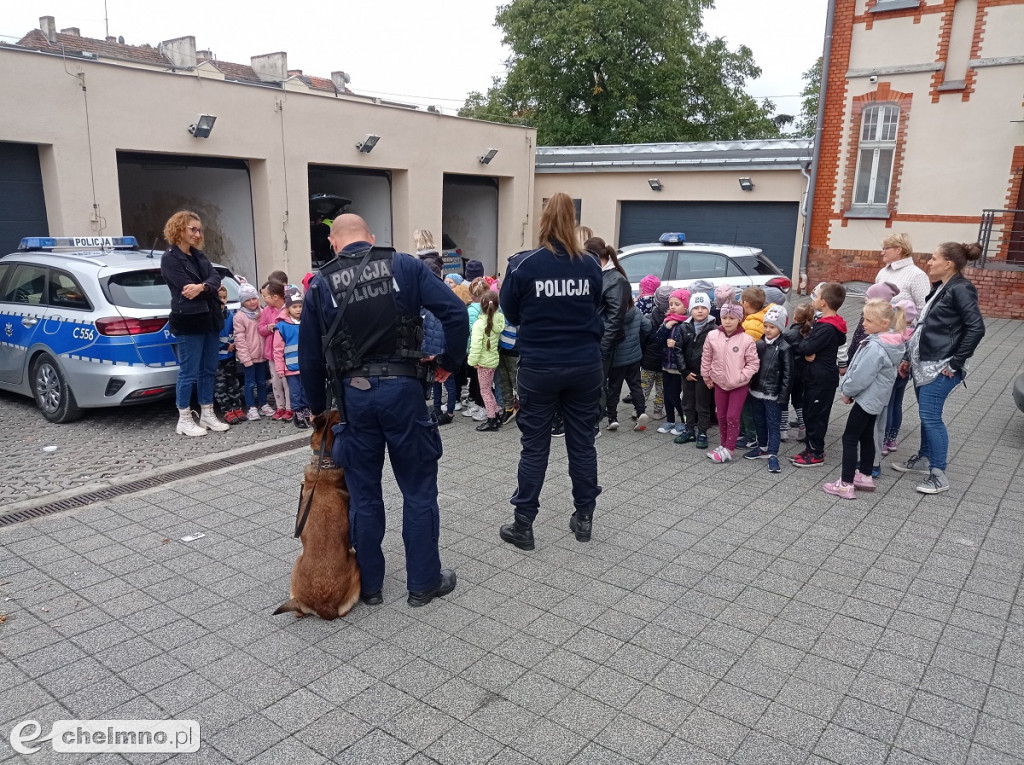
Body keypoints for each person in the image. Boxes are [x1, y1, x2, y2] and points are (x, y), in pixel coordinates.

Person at [299, 213, 468, 607]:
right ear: (371, 238)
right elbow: (456, 313)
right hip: (404, 392)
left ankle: (370, 586)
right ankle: (423, 583)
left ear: (334, 244)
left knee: (364, 495)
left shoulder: (321, 283)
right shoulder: (403, 265)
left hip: (354, 400)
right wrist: (447, 362)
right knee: (418, 489)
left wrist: (320, 412)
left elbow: (309, 357)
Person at [497, 192, 603, 549]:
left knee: (535, 447)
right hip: (585, 365)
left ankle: (523, 524)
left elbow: (511, 313)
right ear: (572, 224)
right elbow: (595, 305)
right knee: (582, 443)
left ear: (543, 221)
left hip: (540, 366)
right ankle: (584, 515)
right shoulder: (590, 265)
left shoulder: (523, 265)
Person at [893, 241, 986, 494]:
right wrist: (908, 358)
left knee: (931, 417)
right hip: (924, 363)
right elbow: (924, 325)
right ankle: (924, 459)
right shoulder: (941, 287)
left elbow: (976, 328)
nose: (929, 262)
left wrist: (955, 363)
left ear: (949, 264)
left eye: (934, 258)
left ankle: (938, 474)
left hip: (941, 365)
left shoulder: (962, 289)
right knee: (926, 414)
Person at [823, 300, 907, 498]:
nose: (863, 324)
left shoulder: (875, 348)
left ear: (884, 323)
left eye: (868, 320)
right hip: (876, 399)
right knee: (866, 435)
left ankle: (845, 483)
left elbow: (861, 375)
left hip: (867, 399)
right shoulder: (889, 344)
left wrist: (847, 391)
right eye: (863, 319)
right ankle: (866, 475)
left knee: (850, 437)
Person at [160, 210, 228, 437]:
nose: (198, 234)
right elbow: (185, 288)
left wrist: (202, 287)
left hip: (210, 319)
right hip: (189, 321)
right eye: (193, 229)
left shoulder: (199, 257)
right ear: (179, 229)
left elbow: (216, 279)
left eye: (199, 230)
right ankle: (185, 419)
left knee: (209, 369)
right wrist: (206, 288)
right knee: (188, 372)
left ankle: (207, 412)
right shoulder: (170, 258)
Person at [791, 282, 847, 467]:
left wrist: (804, 348)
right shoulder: (824, 323)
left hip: (821, 380)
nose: (813, 300)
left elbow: (807, 346)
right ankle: (810, 448)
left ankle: (816, 453)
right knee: (809, 414)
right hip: (815, 377)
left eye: (816, 297)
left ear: (823, 302)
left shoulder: (827, 328)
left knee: (816, 417)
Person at [701, 303, 759, 463]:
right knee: (721, 415)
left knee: (733, 416)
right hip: (720, 383)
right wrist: (706, 376)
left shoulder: (746, 339)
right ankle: (724, 444)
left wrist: (742, 376)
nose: (727, 321)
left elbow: (753, 363)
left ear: (739, 319)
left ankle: (730, 448)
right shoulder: (712, 336)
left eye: (732, 318)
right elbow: (706, 357)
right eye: (724, 317)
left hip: (738, 385)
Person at [588, 237, 630, 429]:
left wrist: (603, 346)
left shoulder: (616, 280)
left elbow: (615, 318)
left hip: (603, 341)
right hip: (592, 338)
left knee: (598, 383)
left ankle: (594, 423)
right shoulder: (599, 274)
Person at [745, 305, 792, 474]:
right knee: (759, 420)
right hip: (756, 390)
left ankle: (773, 454)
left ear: (780, 328)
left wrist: (783, 397)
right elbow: (752, 365)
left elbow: (788, 375)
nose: (768, 330)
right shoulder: (758, 344)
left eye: (772, 327)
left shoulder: (785, 348)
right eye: (766, 326)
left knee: (773, 424)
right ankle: (762, 447)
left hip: (773, 394)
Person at [675, 292, 718, 449]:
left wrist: (709, 373)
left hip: (704, 375)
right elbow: (678, 350)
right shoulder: (684, 327)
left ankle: (702, 432)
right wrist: (684, 371)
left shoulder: (714, 329)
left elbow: (717, 353)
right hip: (688, 373)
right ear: (690, 310)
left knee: (703, 404)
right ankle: (689, 429)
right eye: (696, 308)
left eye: (703, 308)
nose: (699, 311)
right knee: (687, 402)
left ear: (709, 309)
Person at [605, 296, 650, 432]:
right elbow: (647, 327)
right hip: (634, 357)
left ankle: (613, 418)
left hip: (616, 360)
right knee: (636, 386)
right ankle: (640, 412)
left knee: (614, 389)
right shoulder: (635, 311)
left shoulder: (609, 314)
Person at [233, 281, 274, 421]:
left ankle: (263, 403)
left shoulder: (262, 312)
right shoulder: (239, 317)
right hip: (249, 357)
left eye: (254, 298)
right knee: (249, 383)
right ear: (242, 302)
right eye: (248, 300)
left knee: (262, 381)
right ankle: (251, 407)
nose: (252, 302)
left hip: (262, 355)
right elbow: (239, 339)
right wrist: (245, 358)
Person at [468, 290, 505, 432]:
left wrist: (472, 362)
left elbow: (475, 345)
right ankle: (496, 413)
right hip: (493, 359)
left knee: (485, 391)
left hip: (483, 362)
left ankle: (491, 419)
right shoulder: (499, 319)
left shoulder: (479, 324)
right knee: (489, 389)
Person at [654, 290, 689, 436]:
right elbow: (657, 341)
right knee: (667, 394)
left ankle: (684, 421)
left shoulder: (687, 323)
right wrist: (666, 327)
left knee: (677, 395)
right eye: (671, 304)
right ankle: (670, 420)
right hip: (666, 365)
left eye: (677, 304)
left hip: (679, 367)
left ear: (685, 307)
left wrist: (676, 344)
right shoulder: (667, 321)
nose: (673, 307)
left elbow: (689, 346)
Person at [274, 288, 309, 429]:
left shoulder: (307, 322)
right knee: (295, 392)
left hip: (306, 365)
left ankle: (307, 410)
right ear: (288, 308)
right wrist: (280, 368)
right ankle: (298, 412)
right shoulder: (282, 326)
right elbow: (277, 349)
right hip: (291, 367)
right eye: (294, 307)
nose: (298, 309)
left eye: (301, 306)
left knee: (306, 389)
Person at [780, 302, 814, 442]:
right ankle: (803, 427)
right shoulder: (812, 333)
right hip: (803, 373)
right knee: (798, 400)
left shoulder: (788, 334)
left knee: (783, 400)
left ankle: (783, 430)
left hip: (788, 373)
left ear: (795, 318)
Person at [259, 280, 291, 421]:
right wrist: (267, 328)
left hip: (287, 353)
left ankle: (291, 408)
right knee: (276, 381)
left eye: (266, 296)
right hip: (272, 353)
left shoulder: (289, 309)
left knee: (288, 382)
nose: (264, 299)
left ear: (275, 297)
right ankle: (280, 407)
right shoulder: (266, 311)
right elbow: (260, 328)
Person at [214, 285, 246, 425]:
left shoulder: (230, 315)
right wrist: (226, 346)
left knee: (232, 382)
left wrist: (234, 344)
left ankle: (236, 407)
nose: (222, 300)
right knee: (220, 385)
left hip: (229, 356)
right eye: (219, 298)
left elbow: (235, 332)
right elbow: (212, 338)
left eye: (224, 297)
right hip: (216, 358)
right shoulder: (212, 317)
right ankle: (226, 410)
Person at [876, 233, 930, 313]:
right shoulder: (883, 272)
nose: (882, 253)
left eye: (886, 249)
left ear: (898, 250)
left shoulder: (917, 275)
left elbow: (923, 309)